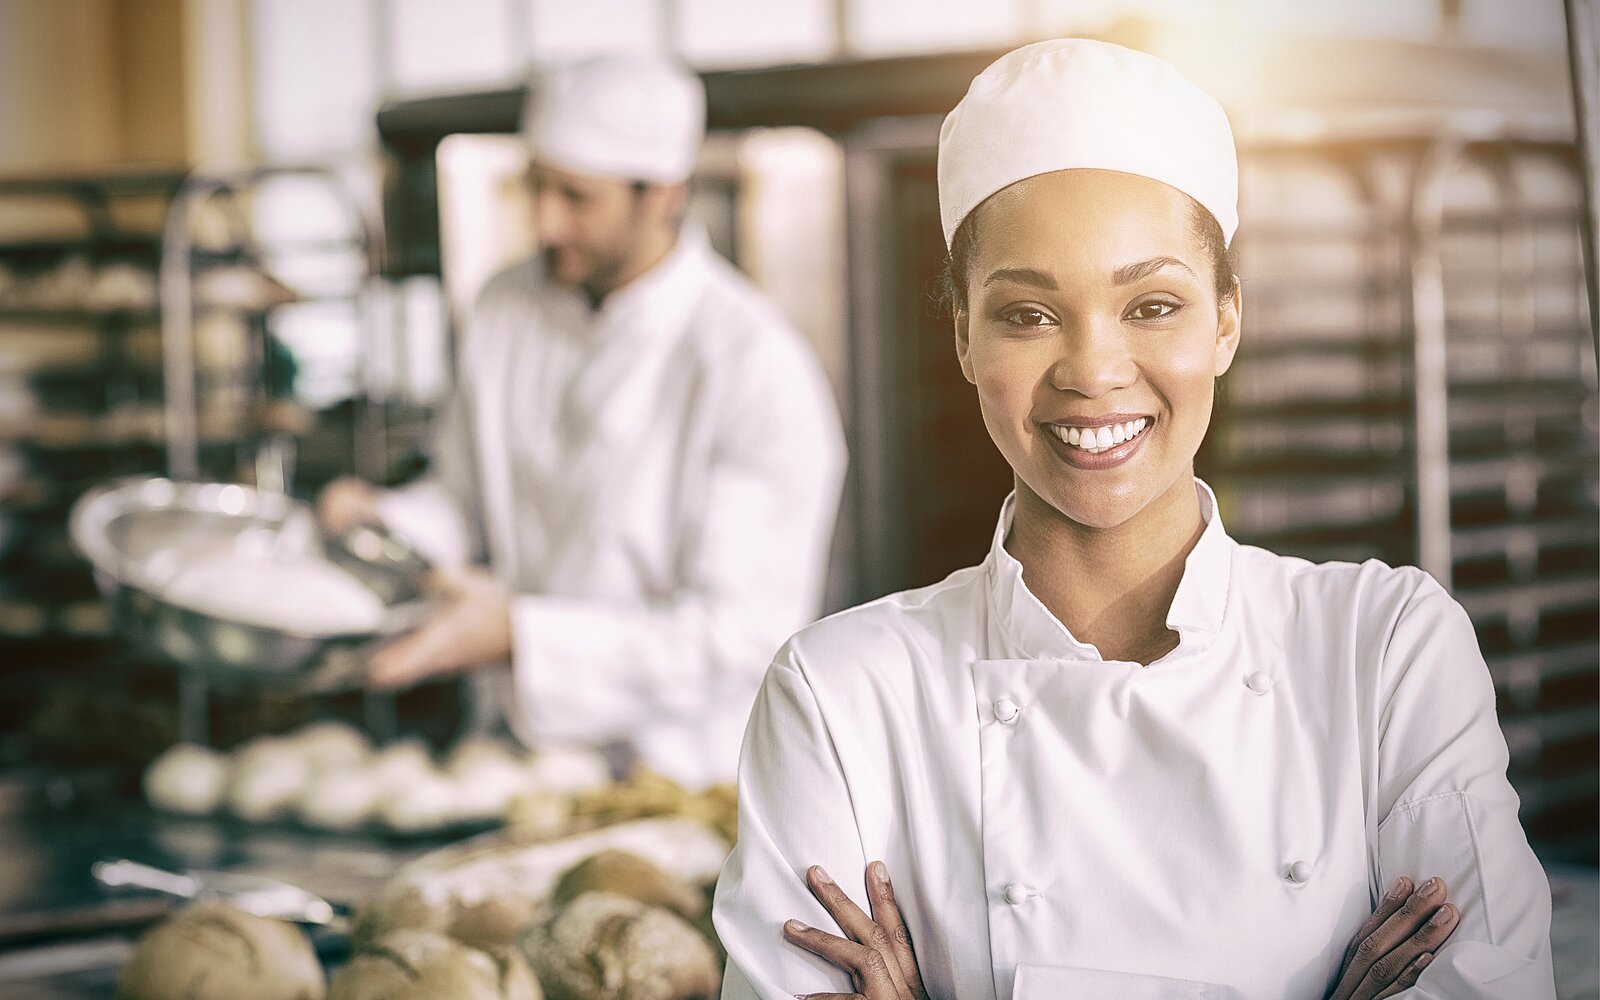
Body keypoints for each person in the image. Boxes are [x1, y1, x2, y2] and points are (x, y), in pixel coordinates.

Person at [712, 39, 1554, 1000]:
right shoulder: (838, 697)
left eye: (1152, 304)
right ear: (962, 337)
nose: (1094, 370)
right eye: (1028, 315)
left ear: (1227, 321)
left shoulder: (1386, 648)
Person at [319, 54, 847, 790]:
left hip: (679, 782)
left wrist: (522, 635)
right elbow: (463, 497)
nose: (544, 222)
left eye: (576, 197)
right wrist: (384, 526)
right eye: (536, 187)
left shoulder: (752, 364)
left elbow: (738, 634)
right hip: (510, 763)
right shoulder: (506, 308)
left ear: (663, 194)